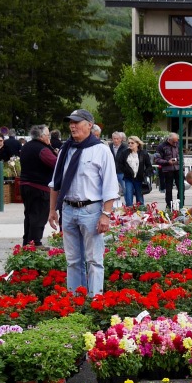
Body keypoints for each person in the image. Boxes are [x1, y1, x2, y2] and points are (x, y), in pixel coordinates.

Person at [47, 109, 119, 297]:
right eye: (70, 122)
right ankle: (75, 300)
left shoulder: (101, 150)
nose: (72, 125)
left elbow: (110, 186)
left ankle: (95, 299)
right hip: (68, 209)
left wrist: (106, 214)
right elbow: (56, 182)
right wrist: (53, 210)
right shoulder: (65, 149)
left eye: (77, 122)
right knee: (72, 260)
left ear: (89, 125)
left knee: (94, 259)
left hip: (91, 210)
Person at [18, 124, 58, 247]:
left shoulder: (26, 146)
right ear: (42, 136)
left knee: (29, 215)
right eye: (48, 135)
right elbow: (55, 164)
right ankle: (35, 242)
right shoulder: (43, 149)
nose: (49, 138)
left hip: (25, 184)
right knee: (39, 216)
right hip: (39, 187)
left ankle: (27, 242)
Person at [117, 136, 152, 206]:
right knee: (128, 196)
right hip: (128, 178)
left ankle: (141, 212)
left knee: (139, 197)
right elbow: (120, 164)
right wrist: (126, 171)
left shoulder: (143, 153)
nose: (130, 144)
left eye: (132, 143)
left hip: (139, 179)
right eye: (129, 143)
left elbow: (149, 166)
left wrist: (144, 174)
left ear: (137, 144)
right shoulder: (125, 153)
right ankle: (129, 212)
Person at [153, 132, 180, 211]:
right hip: (167, 170)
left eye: (176, 141)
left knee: (181, 188)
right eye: (174, 141)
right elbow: (157, 159)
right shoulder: (161, 146)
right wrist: (167, 162)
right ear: (169, 139)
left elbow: (181, 156)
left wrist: (182, 166)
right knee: (168, 189)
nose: (175, 143)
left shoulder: (178, 144)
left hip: (178, 169)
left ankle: (180, 205)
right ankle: (169, 206)